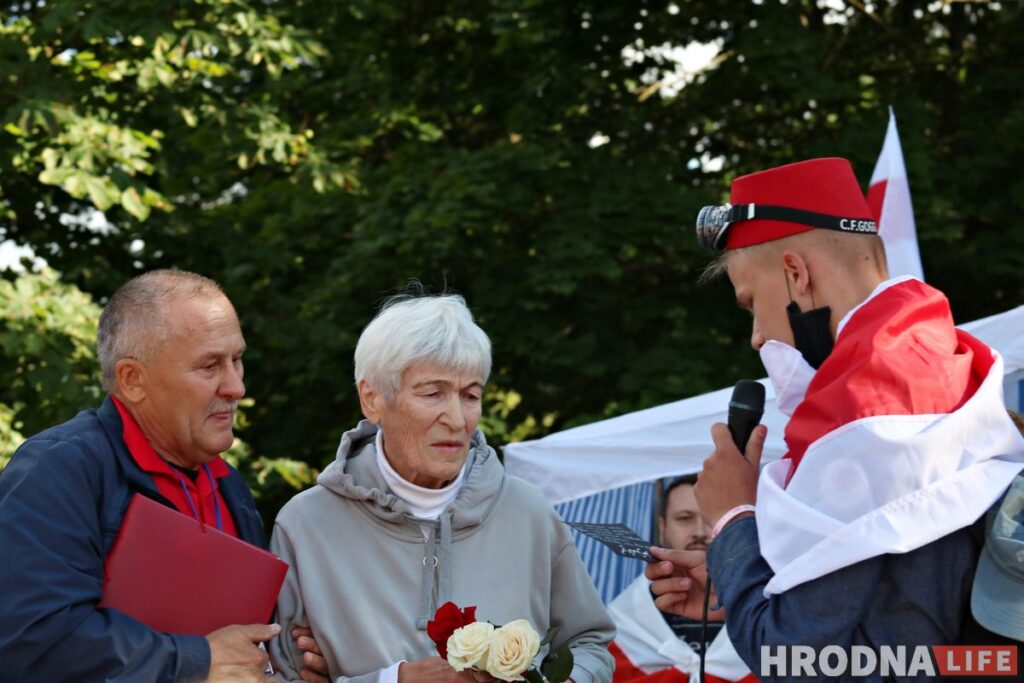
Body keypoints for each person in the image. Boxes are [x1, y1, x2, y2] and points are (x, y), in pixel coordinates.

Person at [645, 158, 1024, 679]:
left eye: (753, 303)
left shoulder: (861, 411)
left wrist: (732, 515)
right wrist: (737, 572)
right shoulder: (946, 360)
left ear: (796, 275)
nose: (757, 335)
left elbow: (795, 659)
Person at [267, 293, 615, 683]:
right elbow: (280, 676)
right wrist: (392, 680)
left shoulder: (528, 512)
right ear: (372, 398)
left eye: (470, 395)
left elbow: (590, 642)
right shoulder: (306, 525)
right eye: (432, 393)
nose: (455, 418)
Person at [0, 270, 327, 683]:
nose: (236, 386)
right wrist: (196, 660)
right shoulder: (59, 470)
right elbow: (29, 642)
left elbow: (241, 647)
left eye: (237, 360)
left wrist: (296, 657)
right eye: (210, 366)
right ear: (132, 380)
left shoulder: (230, 486)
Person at [609, 475, 754, 683]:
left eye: (711, 519)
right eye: (685, 518)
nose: (700, 532)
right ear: (662, 528)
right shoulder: (622, 621)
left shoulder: (774, 607)